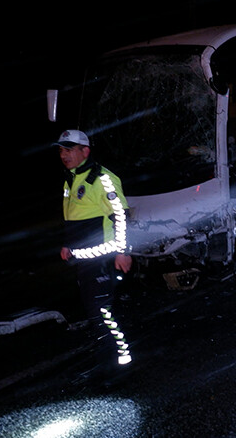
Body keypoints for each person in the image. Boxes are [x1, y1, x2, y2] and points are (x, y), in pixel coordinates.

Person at [55, 129, 134, 381]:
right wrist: (68, 244)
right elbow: (73, 215)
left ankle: (118, 361)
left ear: (85, 151)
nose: (63, 155)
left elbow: (120, 217)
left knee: (102, 312)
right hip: (83, 258)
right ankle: (105, 357)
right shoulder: (71, 179)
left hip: (103, 257)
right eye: (61, 150)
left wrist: (123, 252)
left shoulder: (103, 179)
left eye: (69, 149)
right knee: (95, 311)